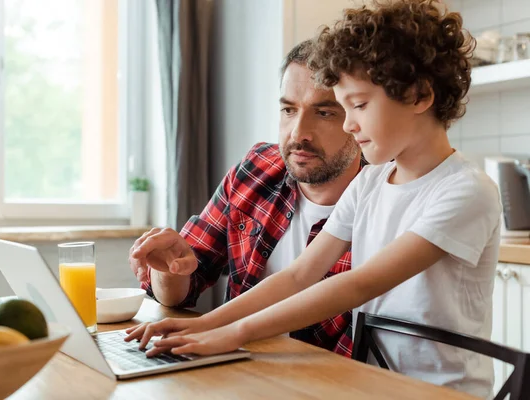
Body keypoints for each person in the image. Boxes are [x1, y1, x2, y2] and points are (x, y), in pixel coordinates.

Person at [126, 1, 502, 398]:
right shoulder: (372, 182)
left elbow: (360, 284)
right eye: (342, 108)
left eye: (358, 105)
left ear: (419, 96)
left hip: (441, 393)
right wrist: (206, 323)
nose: (349, 123)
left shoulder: (465, 190)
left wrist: (233, 333)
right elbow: (299, 276)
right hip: (375, 383)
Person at [127, 39, 365, 356]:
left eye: (323, 112)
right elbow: (183, 287)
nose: (298, 134)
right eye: (289, 110)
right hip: (234, 366)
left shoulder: (382, 197)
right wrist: (169, 267)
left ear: (357, 117)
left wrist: (214, 327)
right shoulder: (257, 169)